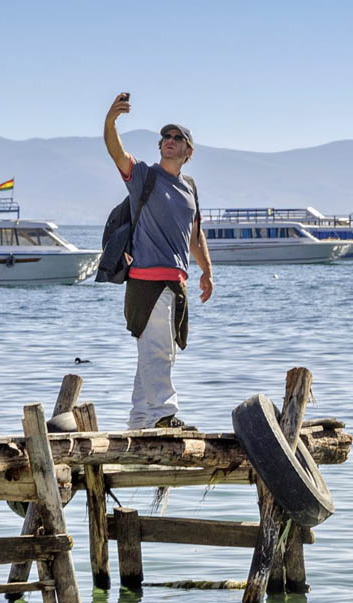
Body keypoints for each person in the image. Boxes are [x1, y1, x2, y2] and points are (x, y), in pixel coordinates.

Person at [104, 92, 213, 429]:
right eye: (164, 137)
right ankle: (164, 415)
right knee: (159, 350)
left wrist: (207, 271)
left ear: (188, 151)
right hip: (146, 280)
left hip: (175, 280)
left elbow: (195, 236)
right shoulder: (144, 176)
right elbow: (116, 151)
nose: (168, 141)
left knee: (153, 351)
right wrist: (110, 121)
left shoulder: (190, 188)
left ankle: (140, 421)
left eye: (176, 137)